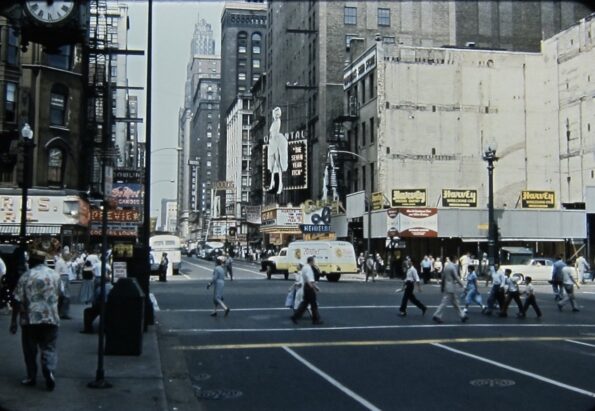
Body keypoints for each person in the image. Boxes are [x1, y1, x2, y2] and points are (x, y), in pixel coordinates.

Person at [9, 239, 63, 391]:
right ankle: (49, 369)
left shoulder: (26, 276)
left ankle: (31, 377)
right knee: (49, 347)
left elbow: (17, 301)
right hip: (51, 318)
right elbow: (62, 295)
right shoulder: (54, 275)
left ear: (31, 260)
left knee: (30, 351)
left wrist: (14, 322)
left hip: (30, 319)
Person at [433, 256, 468, 323]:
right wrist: (463, 285)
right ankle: (436, 315)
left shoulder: (447, 266)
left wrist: (442, 286)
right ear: (455, 259)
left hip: (447, 286)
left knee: (455, 303)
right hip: (451, 287)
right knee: (445, 302)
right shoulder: (453, 267)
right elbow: (456, 277)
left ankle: (462, 316)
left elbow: (443, 277)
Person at [291, 256, 323, 325]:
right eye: (313, 261)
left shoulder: (305, 267)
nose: (314, 263)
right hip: (309, 287)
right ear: (311, 261)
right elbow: (309, 279)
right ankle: (315, 319)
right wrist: (314, 287)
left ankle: (295, 316)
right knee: (313, 304)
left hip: (305, 287)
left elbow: (305, 277)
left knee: (305, 303)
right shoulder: (309, 269)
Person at [266, 106, 289, 194]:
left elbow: (275, 133)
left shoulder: (277, 121)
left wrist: (274, 142)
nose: (275, 115)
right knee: (273, 166)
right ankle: (272, 184)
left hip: (275, 143)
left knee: (278, 164)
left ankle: (279, 185)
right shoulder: (274, 122)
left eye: (276, 113)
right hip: (272, 143)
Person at [54, 247, 72, 320]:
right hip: (62, 278)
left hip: (65, 278)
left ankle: (61, 312)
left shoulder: (64, 261)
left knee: (63, 297)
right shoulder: (59, 262)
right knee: (65, 297)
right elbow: (57, 272)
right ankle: (63, 313)